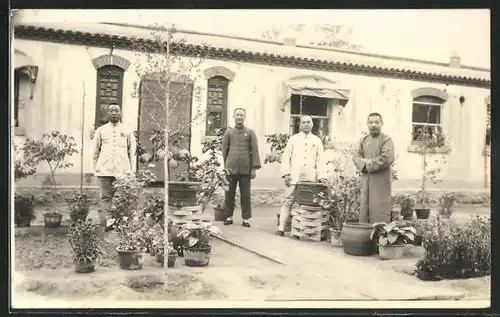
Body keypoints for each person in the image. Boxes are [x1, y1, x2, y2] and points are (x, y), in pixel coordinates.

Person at [276, 115, 328, 236]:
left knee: (308, 202)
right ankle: (281, 228)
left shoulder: (317, 140)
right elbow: (286, 158)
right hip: (294, 175)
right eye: (303, 122)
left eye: (308, 122)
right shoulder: (293, 139)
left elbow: (321, 160)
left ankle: (306, 231)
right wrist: (286, 174)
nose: (306, 124)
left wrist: (322, 176)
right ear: (300, 125)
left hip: (310, 177)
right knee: (288, 201)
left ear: (312, 124)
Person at [92, 103, 135, 238]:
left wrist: (131, 171)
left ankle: (122, 225)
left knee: (122, 198)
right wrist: (96, 169)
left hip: (122, 170)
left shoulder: (127, 130)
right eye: (111, 111)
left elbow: (131, 151)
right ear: (107, 113)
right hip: (105, 170)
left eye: (116, 111)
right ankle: (108, 224)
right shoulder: (101, 130)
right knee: (105, 197)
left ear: (120, 113)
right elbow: (95, 151)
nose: (114, 113)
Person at [220, 108, 261, 228]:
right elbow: (224, 150)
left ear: (244, 117)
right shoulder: (229, 133)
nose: (239, 117)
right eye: (237, 115)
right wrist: (227, 165)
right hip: (231, 169)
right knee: (229, 193)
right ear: (234, 116)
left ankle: (246, 218)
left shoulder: (250, 132)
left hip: (245, 169)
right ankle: (228, 216)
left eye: (241, 115)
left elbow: (255, 151)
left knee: (245, 194)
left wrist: (253, 169)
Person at [353, 112, 395, 224]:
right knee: (365, 208)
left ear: (382, 124)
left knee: (379, 209)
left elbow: (387, 158)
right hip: (366, 180)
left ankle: (380, 236)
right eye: (371, 122)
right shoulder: (363, 140)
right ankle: (364, 237)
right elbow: (356, 156)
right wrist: (363, 165)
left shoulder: (386, 140)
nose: (374, 125)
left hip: (381, 181)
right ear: (367, 124)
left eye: (377, 122)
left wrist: (368, 165)